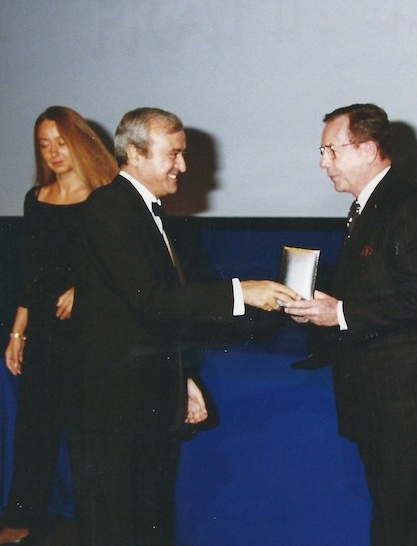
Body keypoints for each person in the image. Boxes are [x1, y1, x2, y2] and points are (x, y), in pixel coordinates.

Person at [66, 107, 299, 546]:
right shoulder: (109, 207)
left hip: (144, 396)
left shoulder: (142, 210)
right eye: (173, 154)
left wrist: (182, 376)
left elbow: (149, 317)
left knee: (149, 517)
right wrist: (241, 291)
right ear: (135, 153)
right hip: (112, 407)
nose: (184, 166)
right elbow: (153, 300)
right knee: (116, 526)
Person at [284, 104, 417, 546]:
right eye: (322, 152)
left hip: (405, 406)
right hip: (382, 401)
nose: (323, 163)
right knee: (397, 522)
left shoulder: (406, 207)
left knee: (408, 526)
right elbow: (382, 291)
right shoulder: (373, 205)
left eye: (330, 150)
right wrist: (326, 308)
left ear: (368, 149)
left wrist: (340, 314)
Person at [0, 106, 118, 546]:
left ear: (80, 142)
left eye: (61, 142)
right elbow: (31, 272)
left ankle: (99, 526)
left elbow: (125, 264)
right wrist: (16, 333)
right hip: (43, 329)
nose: (54, 153)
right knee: (33, 430)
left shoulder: (107, 197)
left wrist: (87, 287)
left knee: (88, 435)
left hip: (90, 332)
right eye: (44, 145)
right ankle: (19, 521)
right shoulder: (36, 198)